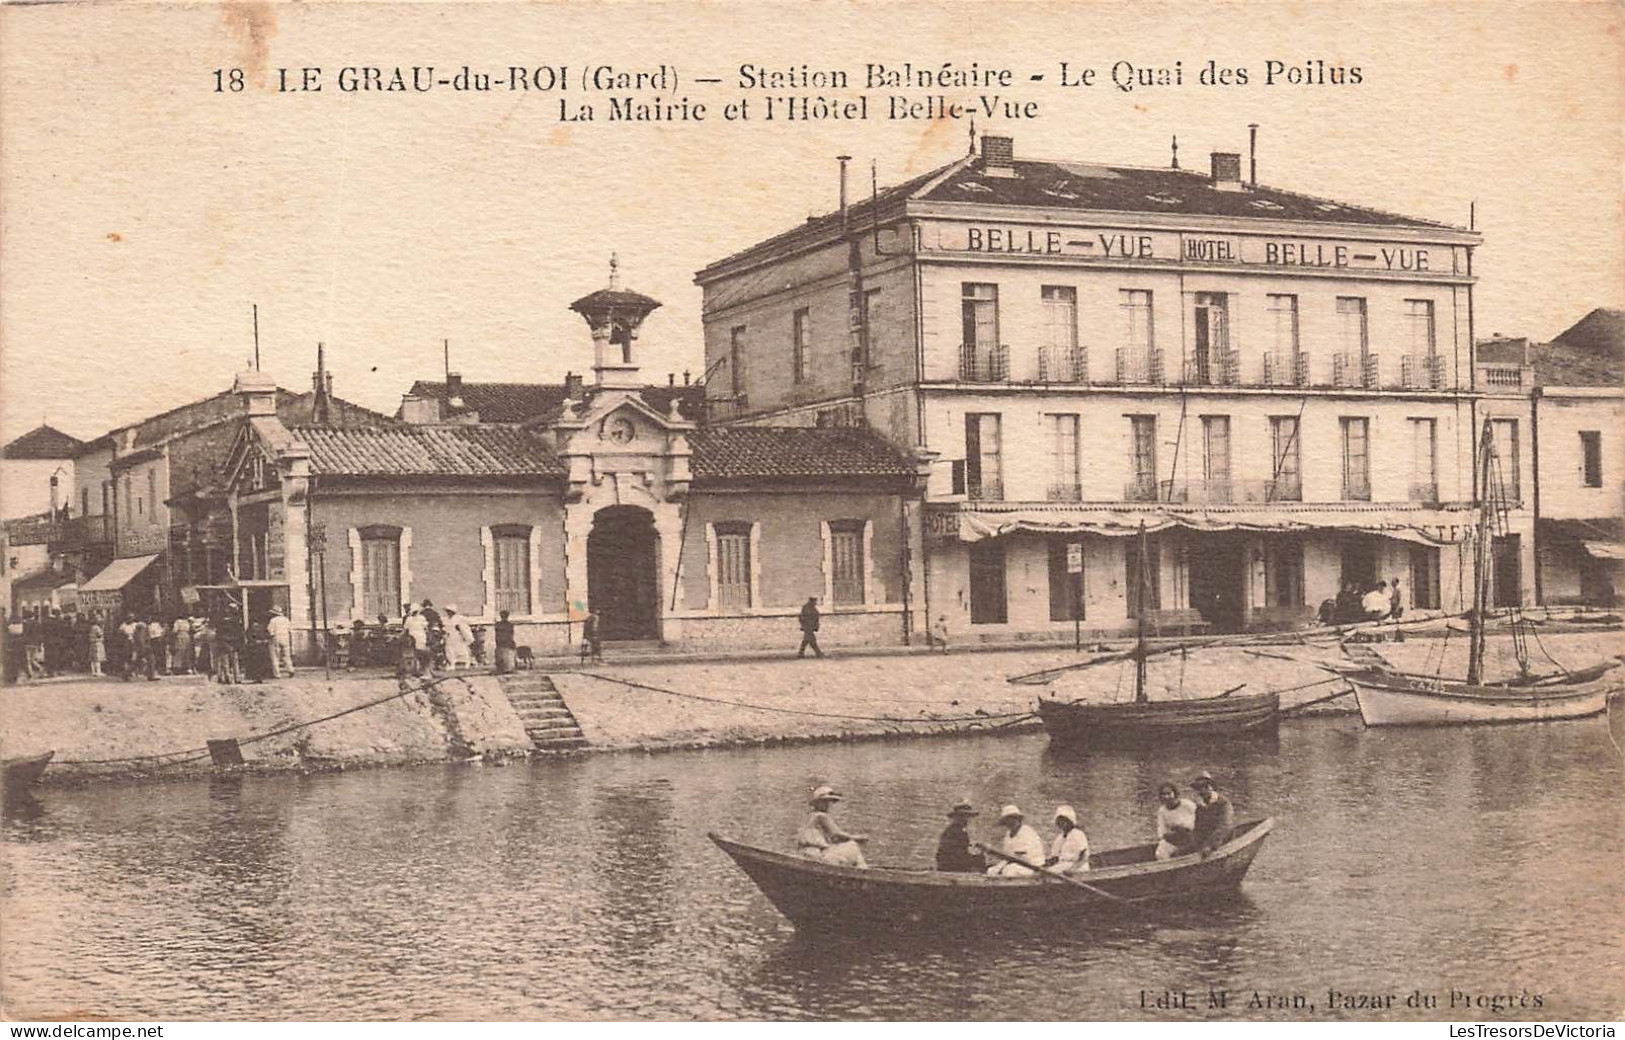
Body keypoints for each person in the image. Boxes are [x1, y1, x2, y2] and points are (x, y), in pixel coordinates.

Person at [794, 785, 868, 868]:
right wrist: (857, 838)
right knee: (852, 845)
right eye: (825, 801)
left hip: (806, 853)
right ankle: (864, 871)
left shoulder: (811, 816)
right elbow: (836, 834)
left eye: (829, 802)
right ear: (818, 802)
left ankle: (862, 870)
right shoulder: (821, 816)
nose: (828, 805)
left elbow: (833, 838)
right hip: (816, 855)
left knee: (844, 848)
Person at [986, 805, 1045, 878]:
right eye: (1007, 820)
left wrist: (1001, 867)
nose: (1010, 823)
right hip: (1016, 863)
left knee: (1010, 870)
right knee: (991, 871)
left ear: (1018, 820)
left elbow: (1018, 857)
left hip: (1032, 866)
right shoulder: (1008, 834)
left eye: (1013, 819)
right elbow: (1007, 855)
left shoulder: (1026, 831)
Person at [1190, 770, 1235, 858]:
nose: (1201, 791)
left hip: (1222, 840)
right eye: (1198, 788)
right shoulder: (1200, 804)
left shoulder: (1223, 803)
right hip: (1205, 840)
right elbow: (1197, 827)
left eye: (1205, 786)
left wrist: (1209, 845)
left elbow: (1225, 826)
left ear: (1211, 787)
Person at [935, 800, 985, 873]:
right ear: (956, 817)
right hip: (951, 866)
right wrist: (976, 859)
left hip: (951, 863)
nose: (966, 820)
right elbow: (957, 855)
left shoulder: (956, 831)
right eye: (962, 816)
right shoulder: (954, 832)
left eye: (967, 816)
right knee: (980, 861)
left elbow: (960, 852)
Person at [1154, 782, 1198, 860]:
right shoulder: (1162, 811)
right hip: (1174, 838)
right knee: (1160, 853)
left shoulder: (1187, 805)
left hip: (1191, 837)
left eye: (1169, 793)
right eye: (1163, 794)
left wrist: (1184, 827)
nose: (1166, 797)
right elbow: (1162, 830)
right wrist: (1167, 835)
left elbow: (1199, 821)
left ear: (1175, 793)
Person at [1046, 804, 1090, 873]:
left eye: (1064, 821)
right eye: (1060, 822)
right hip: (1063, 866)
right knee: (1046, 872)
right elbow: (1055, 858)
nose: (1062, 824)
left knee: (1051, 873)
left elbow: (1084, 857)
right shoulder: (1059, 838)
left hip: (1078, 866)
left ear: (1070, 822)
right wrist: (1043, 865)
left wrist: (1073, 869)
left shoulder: (1078, 834)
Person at [214, 612, 244, 684]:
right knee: (235, 662)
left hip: (224, 643)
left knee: (225, 663)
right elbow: (240, 634)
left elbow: (217, 635)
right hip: (233, 644)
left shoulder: (221, 623)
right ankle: (237, 678)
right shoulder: (235, 623)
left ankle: (227, 678)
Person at [404, 605, 433, 677]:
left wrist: (428, 636)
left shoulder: (421, 618)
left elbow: (426, 628)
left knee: (421, 653)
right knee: (414, 654)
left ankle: (423, 670)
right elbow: (405, 629)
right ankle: (416, 669)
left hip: (421, 637)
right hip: (412, 637)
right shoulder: (409, 619)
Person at [266, 606, 294, 678]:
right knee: (286, 655)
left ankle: (277, 674)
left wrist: (271, 636)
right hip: (285, 638)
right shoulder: (286, 620)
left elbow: (270, 630)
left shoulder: (273, 620)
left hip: (276, 638)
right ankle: (290, 669)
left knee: (275, 656)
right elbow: (290, 630)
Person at [493, 610, 517, 674]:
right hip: (506, 642)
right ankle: (507, 668)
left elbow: (497, 635)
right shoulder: (510, 625)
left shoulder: (498, 625)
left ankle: (502, 668)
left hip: (502, 643)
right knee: (507, 655)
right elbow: (511, 635)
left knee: (502, 655)